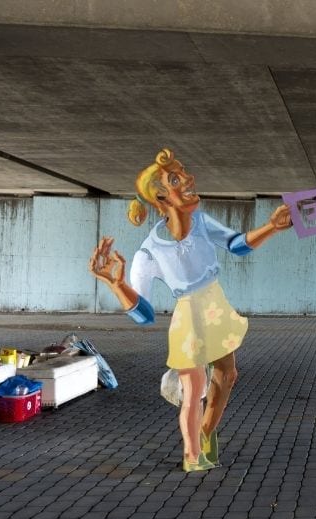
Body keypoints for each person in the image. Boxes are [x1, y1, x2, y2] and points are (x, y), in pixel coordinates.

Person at [90, 148, 292, 472]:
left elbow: (236, 244)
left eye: (184, 172)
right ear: (160, 197)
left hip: (216, 305)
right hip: (188, 319)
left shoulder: (201, 222)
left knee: (227, 375)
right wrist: (117, 285)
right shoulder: (148, 253)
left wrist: (272, 227)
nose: (188, 179)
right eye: (175, 178)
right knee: (194, 391)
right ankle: (192, 456)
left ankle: (206, 432)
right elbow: (145, 315)